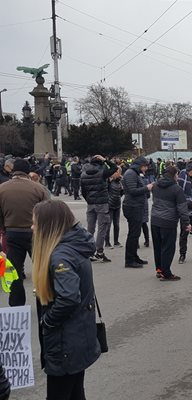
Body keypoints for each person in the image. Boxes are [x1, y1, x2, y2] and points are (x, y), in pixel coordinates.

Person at [31, 200, 100, 400]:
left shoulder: (60, 255)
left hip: (65, 342)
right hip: (77, 336)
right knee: (75, 392)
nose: (32, 227)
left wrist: (47, 321)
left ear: (49, 226)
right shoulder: (73, 246)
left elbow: (69, 298)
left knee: (60, 393)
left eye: (35, 223)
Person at [0, 159, 49, 306]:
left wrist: (5, 229)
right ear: (27, 172)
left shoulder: (2, 189)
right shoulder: (38, 188)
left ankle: (16, 305)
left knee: (14, 272)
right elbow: (48, 211)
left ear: (13, 170)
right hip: (35, 233)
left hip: (12, 233)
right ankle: (43, 302)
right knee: (41, 269)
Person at [151, 166, 192, 281]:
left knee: (158, 247)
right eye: (177, 175)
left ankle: (159, 269)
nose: (178, 177)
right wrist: (187, 223)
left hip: (155, 220)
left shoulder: (155, 185)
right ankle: (166, 273)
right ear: (174, 175)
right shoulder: (176, 189)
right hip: (168, 221)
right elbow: (182, 208)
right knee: (168, 248)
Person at [80, 155, 118, 262]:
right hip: (102, 203)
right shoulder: (102, 172)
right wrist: (106, 160)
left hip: (91, 203)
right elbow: (114, 168)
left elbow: (83, 191)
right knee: (102, 227)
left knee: (90, 228)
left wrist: (89, 200)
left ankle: (89, 251)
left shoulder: (83, 174)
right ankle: (99, 251)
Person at [121, 156, 153, 268]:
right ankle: (129, 260)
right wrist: (147, 188)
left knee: (135, 233)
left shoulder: (134, 173)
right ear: (140, 165)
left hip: (136, 206)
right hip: (132, 207)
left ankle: (134, 257)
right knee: (133, 234)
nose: (146, 169)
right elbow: (132, 191)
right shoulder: (130, 173)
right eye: (145, 166)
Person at [105, 167, 123, 249]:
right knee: (108, 224)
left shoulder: (120, 182)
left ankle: (116, 241)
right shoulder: (108, 181)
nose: (119, 174)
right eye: (118, 172)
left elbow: (122, 192)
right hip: (110, 205)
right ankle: (107, 242)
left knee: (116, 224)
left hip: (117, 204)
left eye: (120, 172)